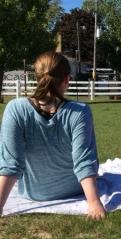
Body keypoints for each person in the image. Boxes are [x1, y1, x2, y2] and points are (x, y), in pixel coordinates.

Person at [0, 52, 105, 219]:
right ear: (67, 80)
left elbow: (10, 162)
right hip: (73, 189)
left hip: (33, 193)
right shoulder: (80, 112)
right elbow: (84, 160)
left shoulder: (15, 109)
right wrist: (93, 202)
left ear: (37, 77)